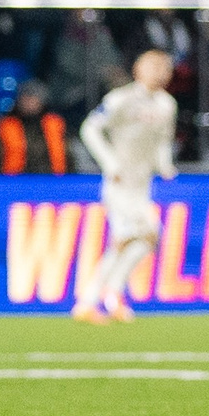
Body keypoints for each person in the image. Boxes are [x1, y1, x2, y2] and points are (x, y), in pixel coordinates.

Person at [72, 49, 180, 325]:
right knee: (131, 237)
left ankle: (105, 295)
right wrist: (110, 164)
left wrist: (165, 164)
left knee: (144, 239)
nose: (161, 73)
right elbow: (90, 129)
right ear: (139, 69)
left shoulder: (167, 105)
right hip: (119, 184)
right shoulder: (121, 99)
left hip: (141, 186)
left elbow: (162, 140)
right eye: (155, 67)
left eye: (165, 68)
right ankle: (95, 298)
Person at [0, 82, 67, 174]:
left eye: (33, 98)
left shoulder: (56, 124)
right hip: (13, 181)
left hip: (53, 180)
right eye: (25, 97)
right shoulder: (3, 125)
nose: (29, 102)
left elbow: (70, 155)